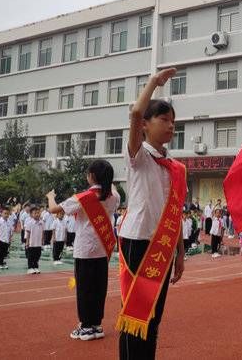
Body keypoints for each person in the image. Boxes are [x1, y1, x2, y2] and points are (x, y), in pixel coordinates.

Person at [117, 68, 186, 359]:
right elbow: (134, 113)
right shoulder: (139, 156)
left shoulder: (176, 168)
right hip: (138, 241)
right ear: (146, 125)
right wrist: (154, 83)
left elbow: (176, 211)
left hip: (164, 245)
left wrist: (180, 253)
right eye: (164, 119)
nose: (170, 126)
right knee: (136, 313)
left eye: (173, 121)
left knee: (154, 316)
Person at [48, 159, 121, 342]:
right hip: (102, 250)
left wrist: (50, 196)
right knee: (98, 288)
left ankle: (86, 327)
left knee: (84, 289)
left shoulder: (82, 198)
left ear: (91, 176)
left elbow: (53, 209)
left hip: (85, 250)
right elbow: (112, 188)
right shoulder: (114, 197)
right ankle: (96, 324)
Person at [24, 206, 45, 275]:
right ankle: (30, 268)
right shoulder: (29, 223)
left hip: (38, 243)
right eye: (35, 213)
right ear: (31, 214)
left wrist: (42, 241)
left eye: (38, 213)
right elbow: (28, 233)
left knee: (37, 255)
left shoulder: (41, 223)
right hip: (31, 243)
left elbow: (42, 232)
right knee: (31, 256)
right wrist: (27, 242)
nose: (37, 214)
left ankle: (35, 267)